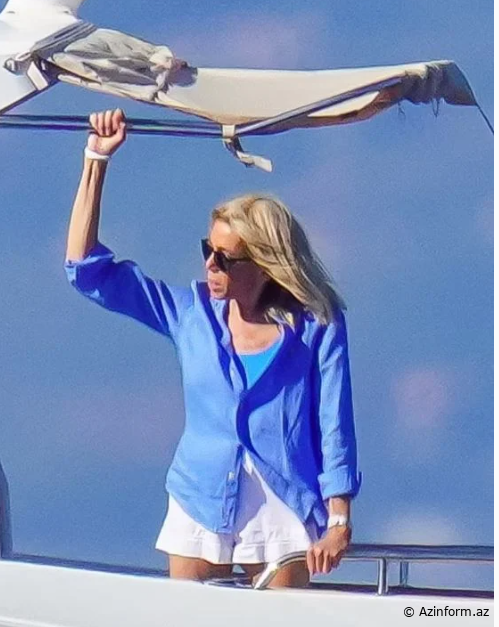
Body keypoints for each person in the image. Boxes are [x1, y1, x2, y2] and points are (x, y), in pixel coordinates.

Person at [65, 108, 361, 588]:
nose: (210, 265)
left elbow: (334, 423)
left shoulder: (317, 325)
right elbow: (86, 271)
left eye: (225, 258)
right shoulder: (191, 314)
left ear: (264, 264)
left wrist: (339, 518)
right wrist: (96, 159)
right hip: (200, 499)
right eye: (208, 250)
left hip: (284, 504)